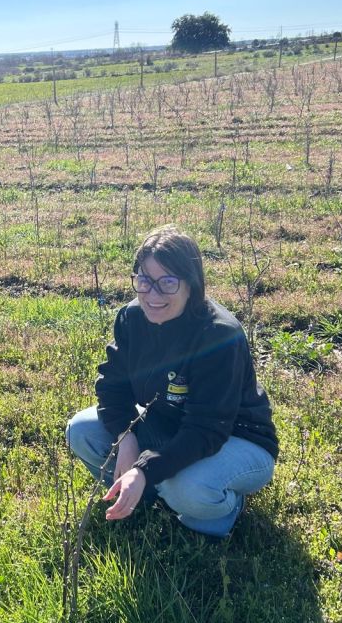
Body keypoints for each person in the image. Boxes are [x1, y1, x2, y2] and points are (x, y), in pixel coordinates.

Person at [66, 225, 278, 537]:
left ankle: (227, 506)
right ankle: (149, 491)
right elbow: (112, 386)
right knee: (81, 431)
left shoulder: (218, 335)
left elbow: (207, 429)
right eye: (145, 280)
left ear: (192, 285)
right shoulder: (131, 318)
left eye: (167, 282)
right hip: (168, 428)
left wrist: (143, 469)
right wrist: (126, 438)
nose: (153, 294)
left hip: (236, 439)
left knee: (186, 489)